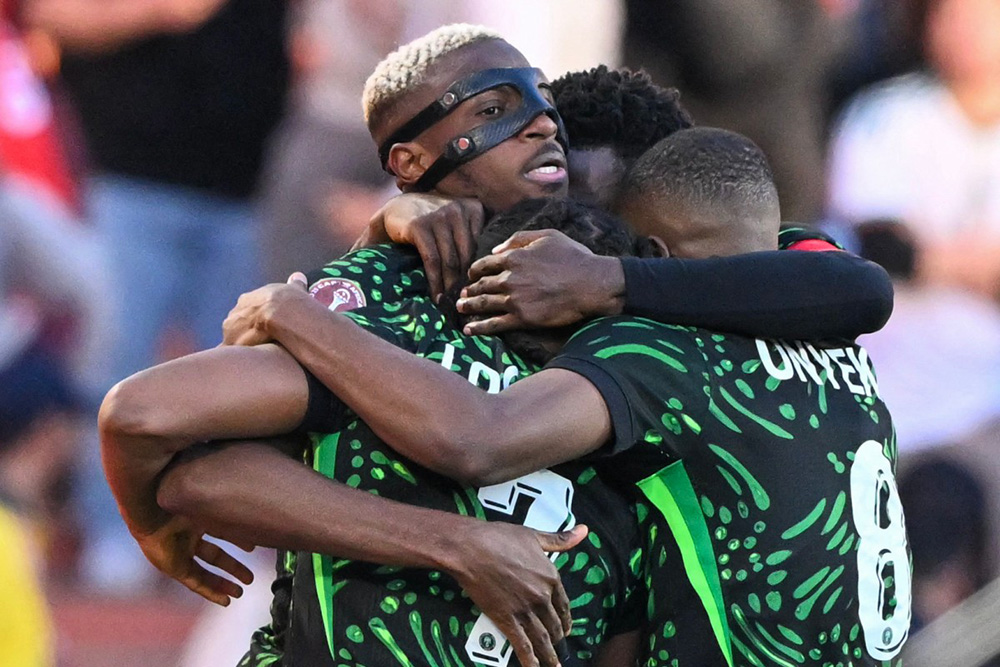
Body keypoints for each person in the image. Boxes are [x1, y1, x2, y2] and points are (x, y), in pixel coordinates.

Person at [104, 25, 894, 666]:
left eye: (540, 105)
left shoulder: (690, 315)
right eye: (495, 113)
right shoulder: (390, 298)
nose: (538, 124)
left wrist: (612, 285)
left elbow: (859, 288)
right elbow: (180, 456)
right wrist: (450, 542)